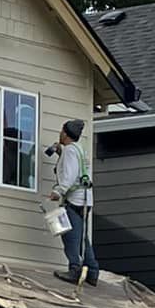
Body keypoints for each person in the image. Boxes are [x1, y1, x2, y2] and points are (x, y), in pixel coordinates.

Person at [46, 116, 99, 286]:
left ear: (67, 134)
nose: (60, 134)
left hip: (75, 200)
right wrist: (60, 153)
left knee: (70, 236)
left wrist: (57, 191)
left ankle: (75, 269)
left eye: (62, 131)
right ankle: (92, 271)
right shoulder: (78, 149)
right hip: (85, 199)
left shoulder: (69, 151)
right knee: (83, 237)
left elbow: (69, 176)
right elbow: (76, 169)